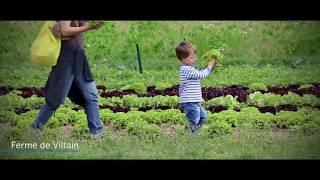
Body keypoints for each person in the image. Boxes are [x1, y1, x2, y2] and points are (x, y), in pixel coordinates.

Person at [31, 21, 104, 139]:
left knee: (92, 96)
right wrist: (91, 27)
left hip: (79, 56)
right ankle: (35, 129)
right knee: (56, 98)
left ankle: (97, 133)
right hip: (66, 57)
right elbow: (65, 30)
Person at [176, 41, 216, 133]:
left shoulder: (190, 68)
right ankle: (189, 135)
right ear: (182, 58)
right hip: (189, 101)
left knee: (203, 118)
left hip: (195, 100)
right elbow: (200, 75)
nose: (194, 59)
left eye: (194, 57)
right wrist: (209, 67)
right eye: (191, 58)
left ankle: (191, 133)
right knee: (194, 120)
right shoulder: (186, 69)